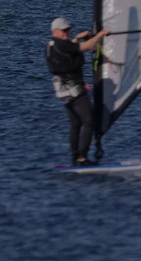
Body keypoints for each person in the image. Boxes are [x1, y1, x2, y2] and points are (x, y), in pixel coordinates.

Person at [45, 17, 109, 166]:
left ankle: (75, 159)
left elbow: (68, 50)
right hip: (74, 90)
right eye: (64, 31)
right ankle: (82, 158)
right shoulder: (63, 44)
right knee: (89, 121)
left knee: (76, 123)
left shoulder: (51, 46)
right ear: (55, 32)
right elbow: (87, 47)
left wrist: (76, 38)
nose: (67, 32)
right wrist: (101, 34)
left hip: (63, 92)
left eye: (68, 30)